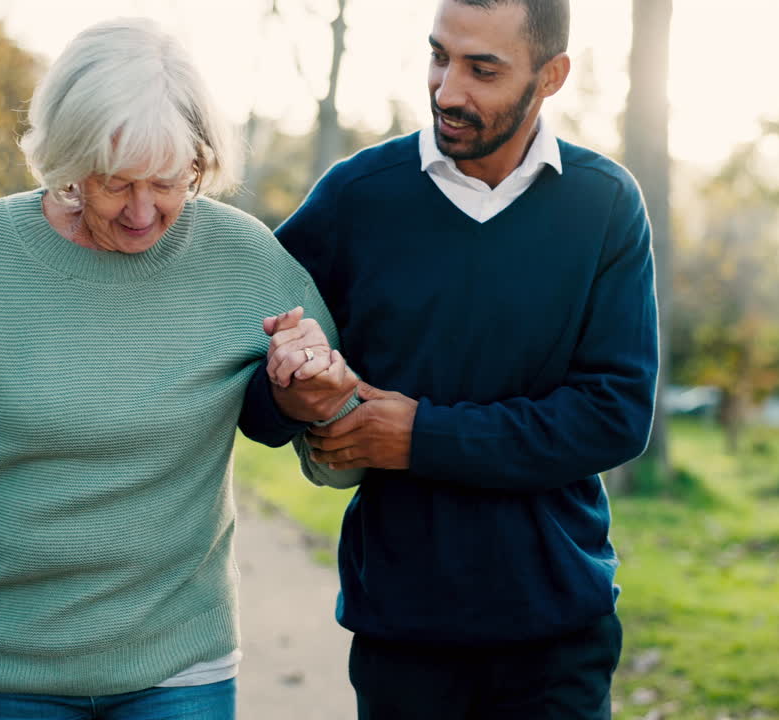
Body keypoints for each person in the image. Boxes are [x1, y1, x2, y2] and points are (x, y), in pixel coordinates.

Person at [0, 19, 359, 720]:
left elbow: (342, 460)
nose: (144, 212)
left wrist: (318, 398)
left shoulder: (245, 259)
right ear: (66, 158)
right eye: (114, 184)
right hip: (4, 673)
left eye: (169, 181)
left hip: (181, 669)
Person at [252, 0, 659, 717]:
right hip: (404, 633)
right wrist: (294, 391)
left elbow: (614, 417)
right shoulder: (358, 198)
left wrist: (418, 437)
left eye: (483, 69)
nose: (446, 90)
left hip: (557, 631)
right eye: (439, 55)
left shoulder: (604, 205)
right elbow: (252, 387)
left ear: (552, 75)